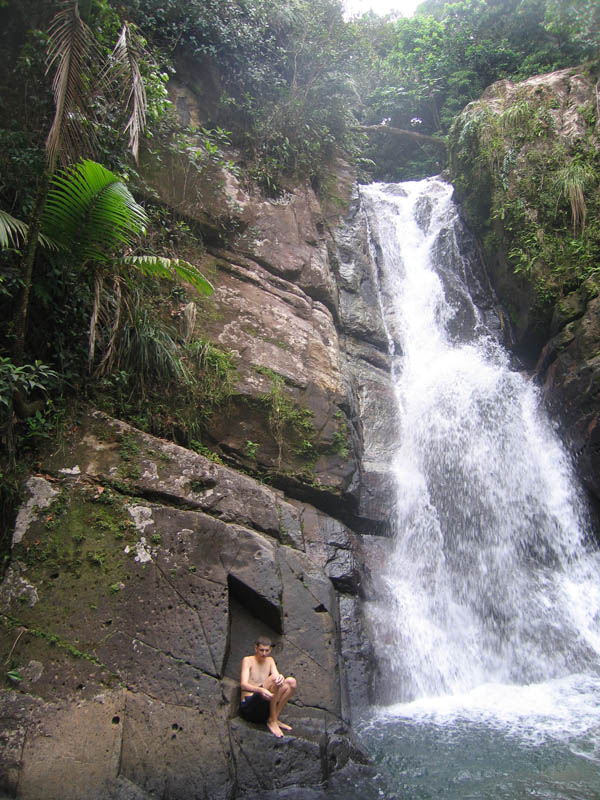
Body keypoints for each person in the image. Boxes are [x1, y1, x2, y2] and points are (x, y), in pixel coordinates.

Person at [239, 635, 297, 737]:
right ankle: (273, 721)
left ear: (270, 650)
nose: (264, 653)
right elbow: (243, 685)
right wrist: (260, 690)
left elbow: (278, 678)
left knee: (291, 682)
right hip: (249, 707)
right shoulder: (247, 660)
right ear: (256, 648)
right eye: (261, 650)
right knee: (274, 678)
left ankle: (273, 718)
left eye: (267, 650)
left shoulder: (270, 660)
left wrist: (281, 678)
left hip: (264, 705)